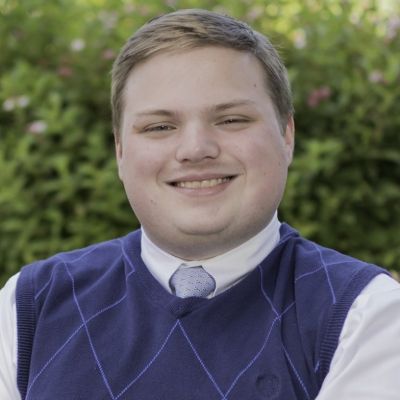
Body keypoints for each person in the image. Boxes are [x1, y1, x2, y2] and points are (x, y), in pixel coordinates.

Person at [0, 8, 399, 400]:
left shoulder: (365, 317)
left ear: (287, 134)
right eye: (160, 127)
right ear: (120, 151)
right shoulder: (28, 308)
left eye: (231, 120)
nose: (195, 149)